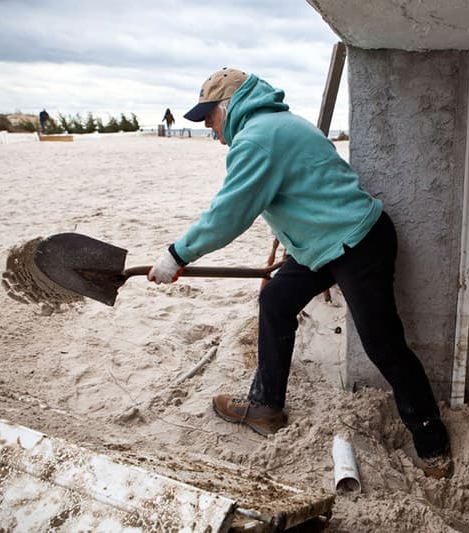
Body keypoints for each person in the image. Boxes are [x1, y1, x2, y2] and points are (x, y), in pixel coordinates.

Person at [147, 67, 453, 478]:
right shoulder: (277, 123)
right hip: (323, 244)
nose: (211, 130)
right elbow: (305, 195)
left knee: (384, 346)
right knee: (276, 299)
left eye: (210, 119)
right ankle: (266, 406)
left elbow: (228, 215)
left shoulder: (256, 140)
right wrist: (295, 249)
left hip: (357, 243)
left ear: (228, 107)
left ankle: (433, 445)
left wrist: (176, 255)